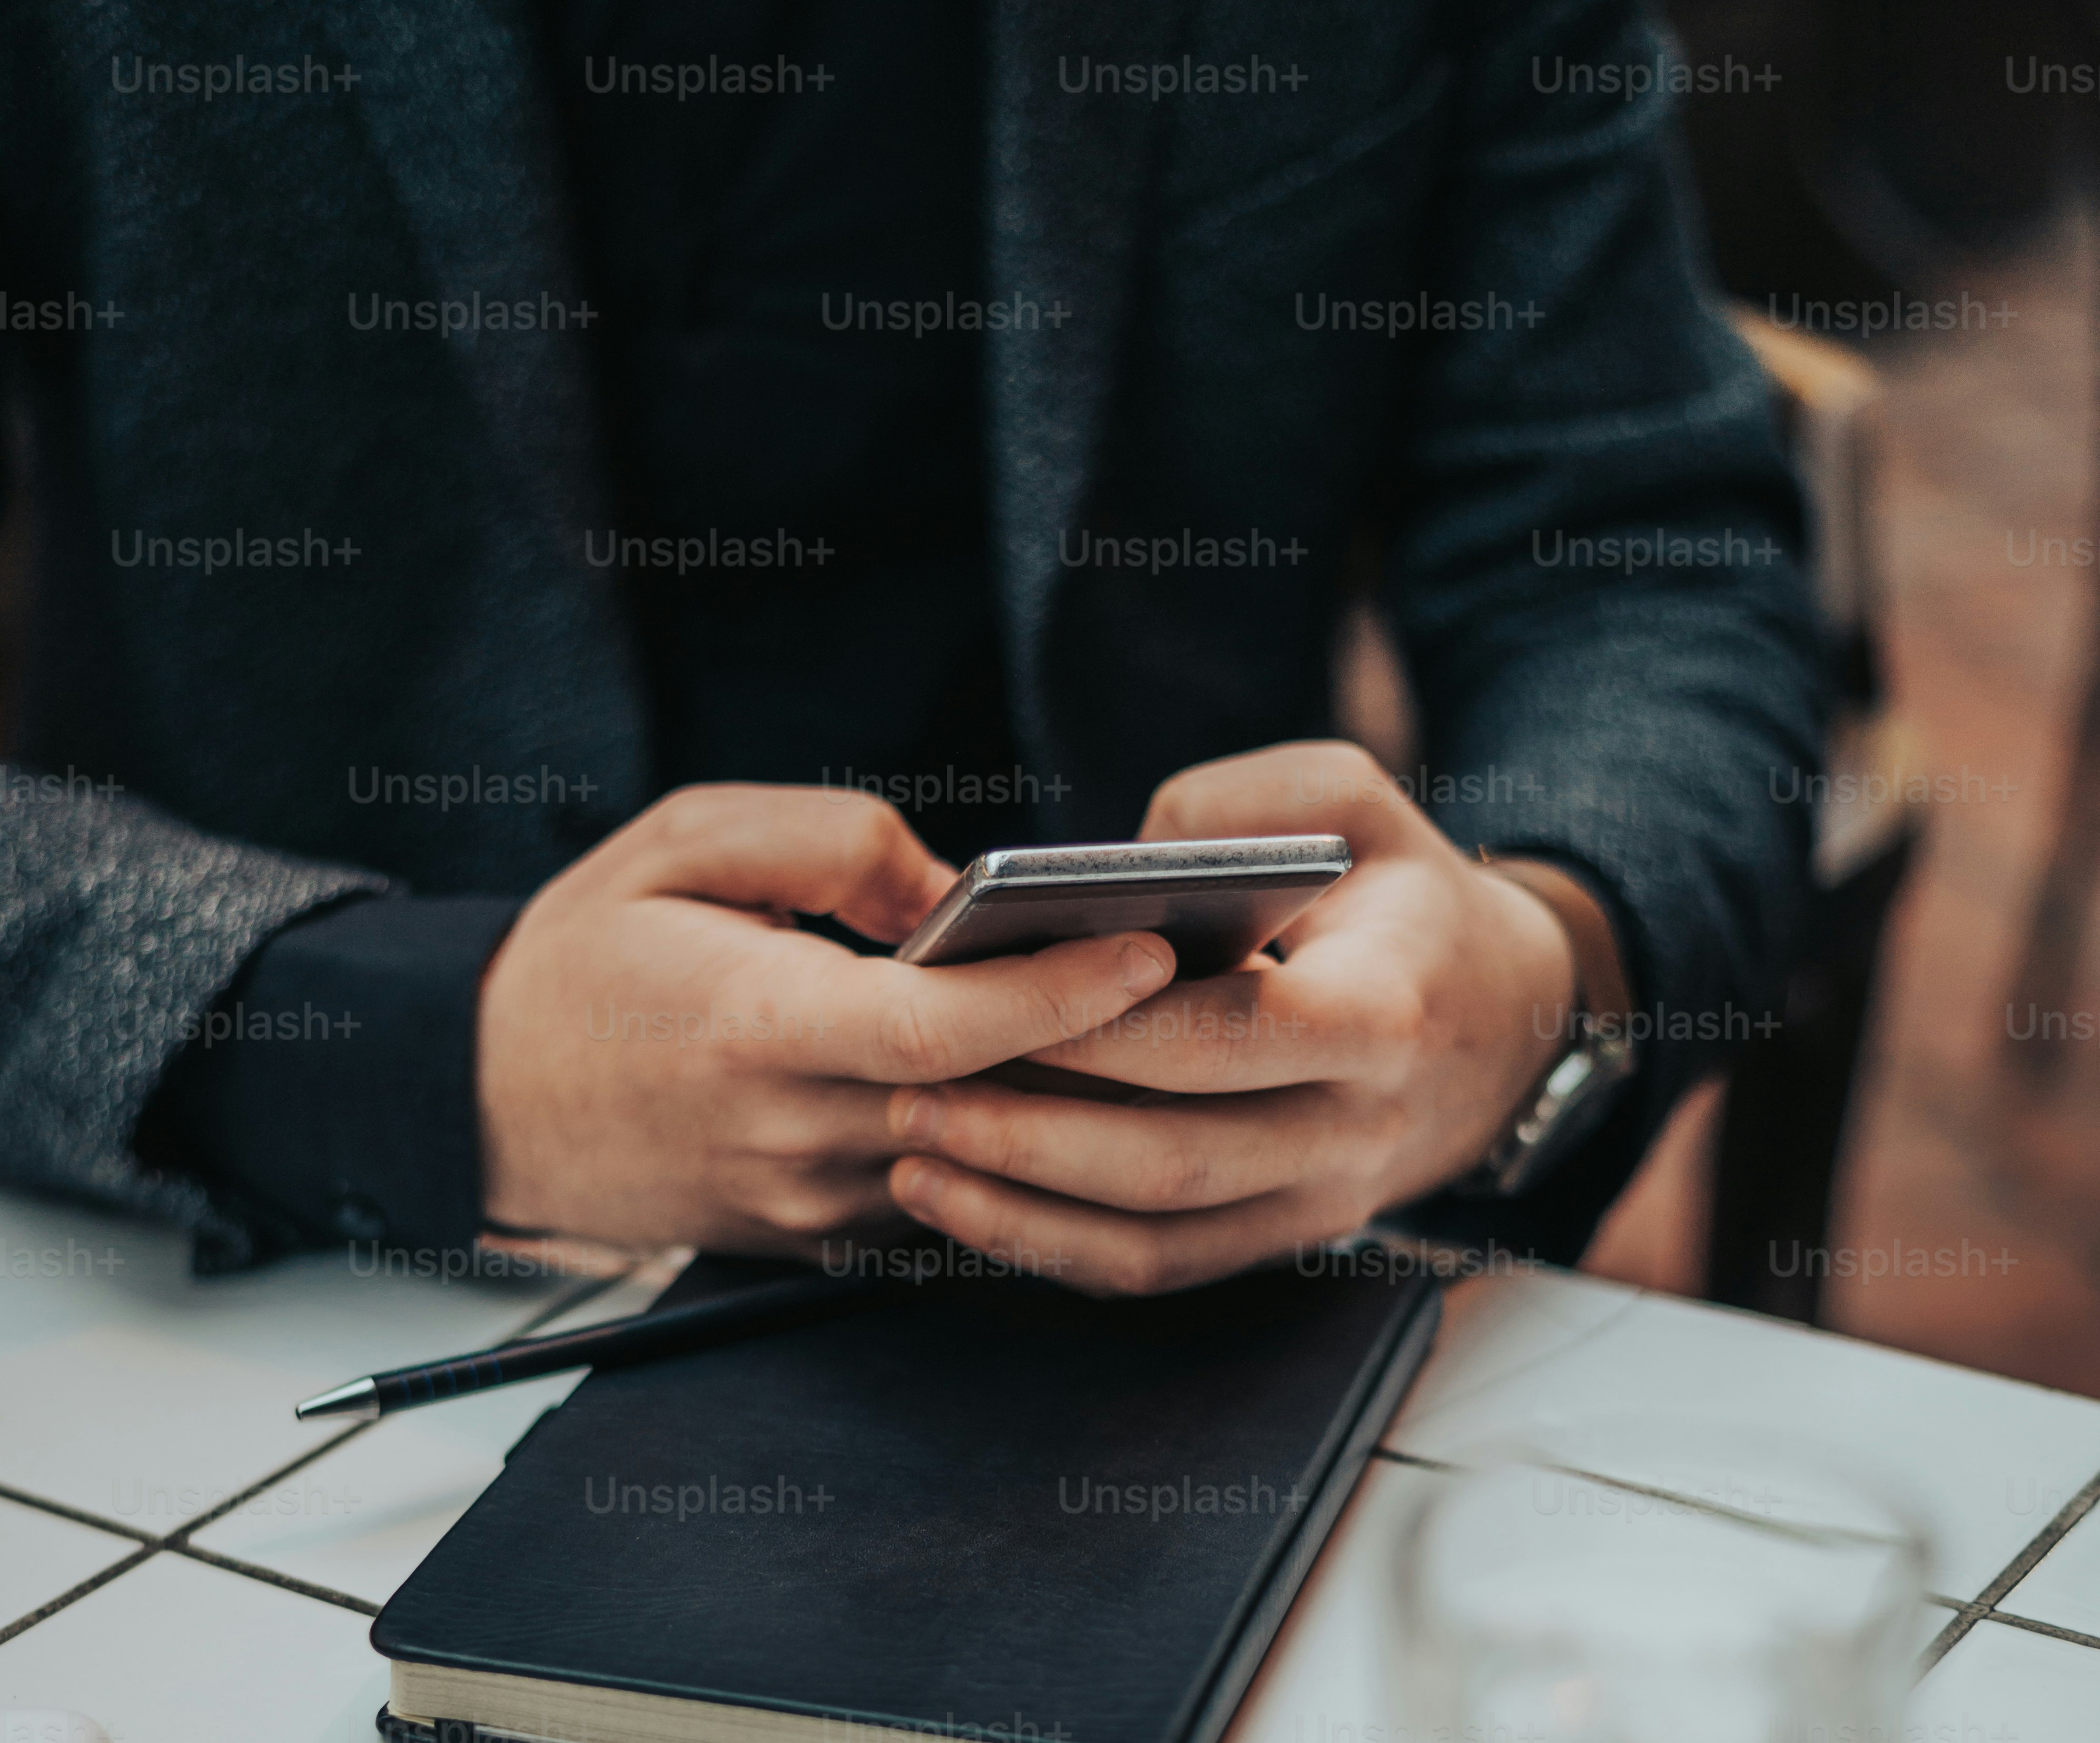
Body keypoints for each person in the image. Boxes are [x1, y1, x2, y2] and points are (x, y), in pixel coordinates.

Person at [0, 3, 1823, 1292]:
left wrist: (1528, 969)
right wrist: (408, 1045)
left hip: (1163, 1308)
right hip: (222, 1253)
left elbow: (1639, 551)